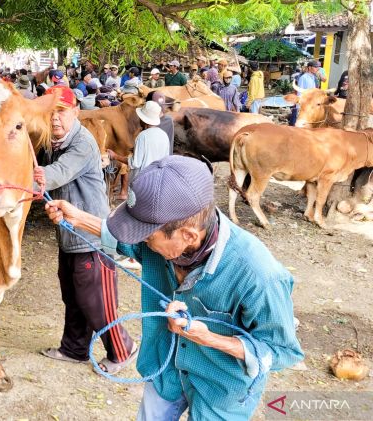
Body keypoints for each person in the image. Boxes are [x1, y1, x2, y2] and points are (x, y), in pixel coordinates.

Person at [44, 155, 303, 420]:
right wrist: (78, 219)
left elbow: (282, 351)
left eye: (147, 235)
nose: (141, 242)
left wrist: (208, 338)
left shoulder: (259, 274)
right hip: (165, 369)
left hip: (222, 390)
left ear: (189, 235)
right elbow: (126, 242)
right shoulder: (164, 243)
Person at [34, 85, 137, 373]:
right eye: (51, 112)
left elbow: (55, 175)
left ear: (76, 112)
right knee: (73, 297)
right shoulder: (52, 144)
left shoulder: (82, 143)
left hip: (90, 235)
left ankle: (122, 350)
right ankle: (74, 349)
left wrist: (8, 183)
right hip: (68, 234)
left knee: (97, 302)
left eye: (62, 112)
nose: (55, 119)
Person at [107, 100, 169, 191]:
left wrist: (115, 156)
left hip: (142, 181)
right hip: (157, 179)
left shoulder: (143, 136)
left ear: (144, 120)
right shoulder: (164, 135)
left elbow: (135, 163)